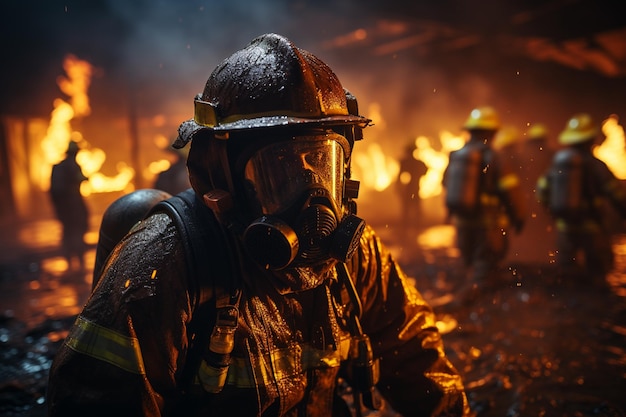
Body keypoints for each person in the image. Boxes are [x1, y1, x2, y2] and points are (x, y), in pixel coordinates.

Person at [47, 33, 469, 416]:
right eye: (280, 169)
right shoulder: (165, 262)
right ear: (221, 177)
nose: (311, 199)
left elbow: (416, 358)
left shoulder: (355, 256)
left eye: (321, 163)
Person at [442, 107, 525, 298]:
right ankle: (474, 306)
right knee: (484, 265)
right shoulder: (494, 157)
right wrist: (518, 216)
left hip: (462, 222)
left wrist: (450, 213)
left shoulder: (456, 156)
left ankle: (464, 297)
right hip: (488, 224)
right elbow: (510, 191)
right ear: (492, 132)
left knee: (468, 261)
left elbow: (446, 183)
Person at [536, 113, 626, 285]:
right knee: (598, 273)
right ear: (590, 139)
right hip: (592, 228)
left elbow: (542, 190)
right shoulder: (596, 165)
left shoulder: (557, 163)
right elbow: (616, 193)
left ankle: (567, 306)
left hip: (565, 228)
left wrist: (550, 212)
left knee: (566, 272)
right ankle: (595, 306)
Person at [49, 140, 89, 270]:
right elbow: (80, 178)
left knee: (67, 230)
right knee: (78, 228)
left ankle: (69, 259)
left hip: (62, 205)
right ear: (75, 152)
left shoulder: (58, 167)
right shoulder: (72, 165)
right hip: (74, 203)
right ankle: (79, 258)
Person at [395, 140, 428, 234]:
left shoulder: (406, 162)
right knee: (413, 207)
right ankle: (414, 227)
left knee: (409, 207)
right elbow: (425, 171)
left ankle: (409, 227)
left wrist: (398, 186)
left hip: (410, 187)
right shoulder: (418, 162)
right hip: (414, 187)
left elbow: (400, 175)